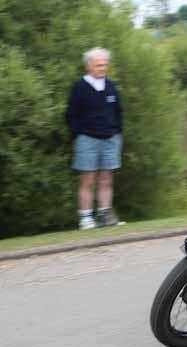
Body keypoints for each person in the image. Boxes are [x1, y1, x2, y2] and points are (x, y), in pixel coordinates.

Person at [65, 47, 123, 230]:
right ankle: (86, 219)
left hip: (111, 139)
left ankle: (105, 216)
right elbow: (70, 114)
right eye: (99, 65)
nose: (103, 68)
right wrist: (79, 134)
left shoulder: (111, 85)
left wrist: (116, 132)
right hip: (87, 140)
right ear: (88, 66)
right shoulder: (79, 87)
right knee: (87, 180)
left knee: (106, 179)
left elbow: (118, 111)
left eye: (105, 65)